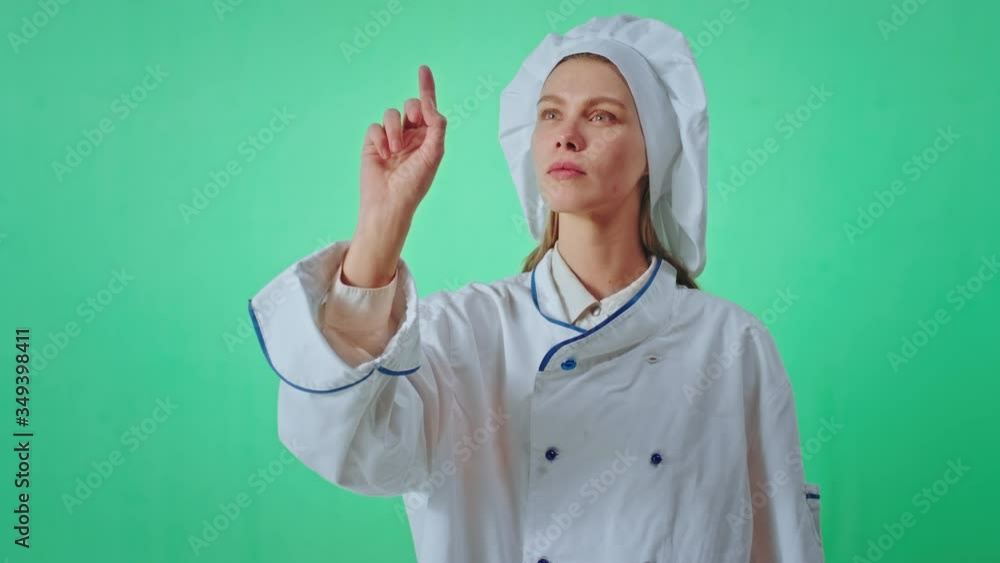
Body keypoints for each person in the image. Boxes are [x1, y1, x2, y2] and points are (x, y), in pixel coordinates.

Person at [247, 14, 825, 563]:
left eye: (601, 117)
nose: (566, 136)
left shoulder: (731, 346)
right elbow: (344, 447)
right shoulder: (463, 335)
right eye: (550, 114)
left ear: (655, 149)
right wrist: (382, 222)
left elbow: (781, 546)